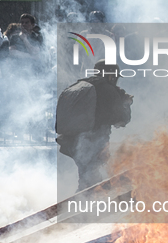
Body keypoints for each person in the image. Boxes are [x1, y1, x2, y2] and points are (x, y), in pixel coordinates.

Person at [56, 59, 133, 191]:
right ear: (111, 75)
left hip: (72, 140)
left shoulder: (82, 85)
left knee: (87, 175)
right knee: (91, 179)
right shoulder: (107, 90)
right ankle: (83, 206)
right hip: (93, 140)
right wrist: (126, 103)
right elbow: (121, 120)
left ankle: (82, 203)